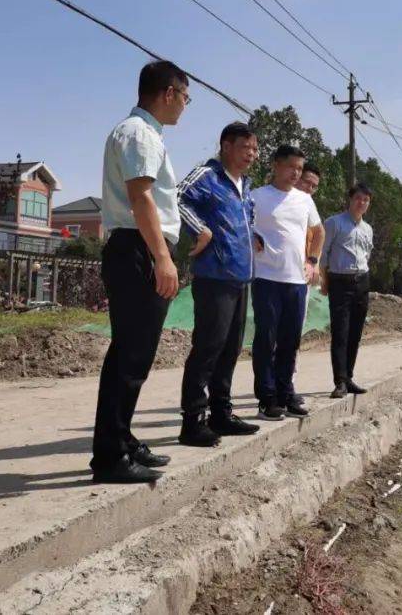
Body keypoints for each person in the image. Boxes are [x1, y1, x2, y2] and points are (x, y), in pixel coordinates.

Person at [91, 60, 190, 484]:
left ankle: (123, 439)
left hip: (140, 246)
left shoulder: (144, 134)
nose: (185, 106)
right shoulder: (139, 134)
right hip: (139, 248)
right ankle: (110, 457)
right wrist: (162, 258)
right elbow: (142, 198)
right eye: (185, 97)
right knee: (129, 356)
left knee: (135, 353)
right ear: (168, 93)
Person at [176, 122, 264, 447]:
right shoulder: (207, 175)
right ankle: (192, 421)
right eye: (246, 147)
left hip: (241, 278)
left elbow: (248, 217)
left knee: (230, 349)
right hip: (214, 277)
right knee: (208, 348)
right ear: (226, 145)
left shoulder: (244, 185)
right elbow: (177, 197)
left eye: (255, 149)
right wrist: (201, 229)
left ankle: (221, 414)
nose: (252, 155)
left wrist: (253, 236)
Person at [250, 145, 325, 419]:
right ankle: (267, 397)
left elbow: (318, 232)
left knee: (290, 340)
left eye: (299, 168)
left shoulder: (304, 200)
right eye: (291, 167)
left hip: (296, 281)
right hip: (266, 278)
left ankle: (285, 391)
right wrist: (250, 237)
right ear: (275, 165)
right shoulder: (256, 197)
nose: (296, 173)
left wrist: (312, 261)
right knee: (266, 338)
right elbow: (240, 225)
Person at [321, 182, 374, 398]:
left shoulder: (368, 229)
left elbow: (367, 254)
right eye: (358, 199)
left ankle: (349, 377)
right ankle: (340, 381)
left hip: (362, 282)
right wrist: (324, 282)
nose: (361, 203)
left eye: (365, 200)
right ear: (350, 200)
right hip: (340, 281)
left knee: (355, 333)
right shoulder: (334, 223)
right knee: (340, 332)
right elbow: (324, 253)